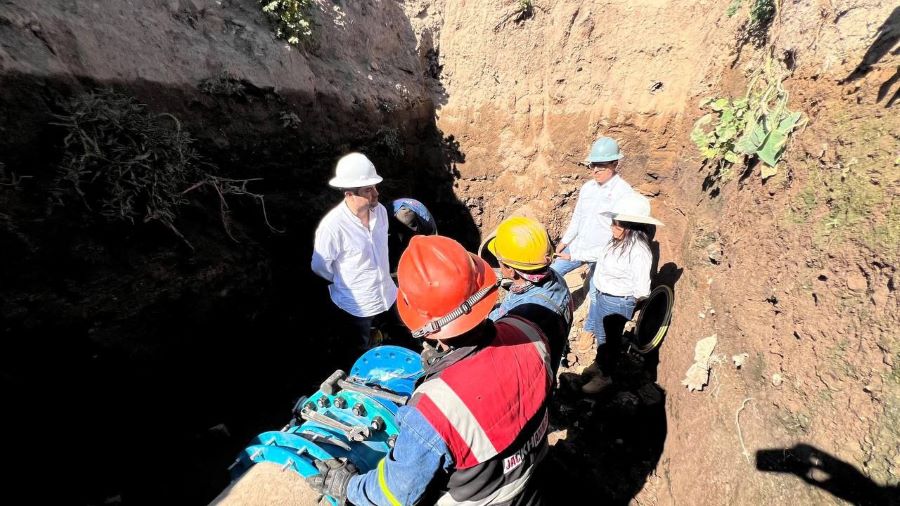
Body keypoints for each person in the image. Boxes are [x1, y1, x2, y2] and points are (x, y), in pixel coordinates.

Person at [307, 235, 554, 505]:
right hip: (534, 480)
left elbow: (395, 494)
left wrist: (348, 486)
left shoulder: (435, 409)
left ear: (427, 325)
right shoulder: (529, 332)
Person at [552, 136, 634, 352]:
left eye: (601, 165)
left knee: (598, 292)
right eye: (592, 165)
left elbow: (618, 236)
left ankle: (589, 329)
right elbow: (578, 217)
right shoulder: (588, 188)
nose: (595, 170)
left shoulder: (623, 193)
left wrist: (577, 254)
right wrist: (565, 241)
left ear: (615, 164)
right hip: (578, 245)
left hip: (603, 253)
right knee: (551, 273)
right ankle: (548, 312)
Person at [311, 152, 397, 349]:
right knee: (361, 352)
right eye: (368, 189)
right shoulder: (333, 227)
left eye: (375, 187)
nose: (376, 193)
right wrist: (346, 280)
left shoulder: (381, 212)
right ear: (349, 194)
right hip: (358, 306)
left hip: (388, 295)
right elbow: (320, 267)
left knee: (398, 339)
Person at [579, 192, 663, 394]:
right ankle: (600, 366)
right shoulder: (616, 241)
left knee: (610, 341)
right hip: (601, 296)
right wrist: (573, 254)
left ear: (630, 227)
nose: (612, 227)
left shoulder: (639, 250)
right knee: (602, 335)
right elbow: (599, 255)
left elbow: (642, 288)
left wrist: (626, 302)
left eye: (616, 224)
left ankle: (606, 376)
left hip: (616, 302)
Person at [483, 216, 573, 374]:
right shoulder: (555, 277)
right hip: (548, 363)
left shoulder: (525, 312)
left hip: (530, 374)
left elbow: (496, 340)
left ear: (511, 270)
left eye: (499, 260)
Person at [388, 197, 437, 274]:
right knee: (393, 244)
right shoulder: (386, 214)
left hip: (417, 221)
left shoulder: (428, 223)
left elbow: (434, 246)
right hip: (394, 219)